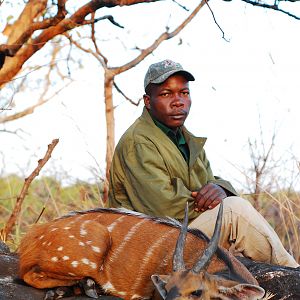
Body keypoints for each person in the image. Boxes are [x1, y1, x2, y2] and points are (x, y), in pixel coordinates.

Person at [108, 59, 298, 268]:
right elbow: (166, 208)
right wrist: (215, 202)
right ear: (147, 101)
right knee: (233, 211)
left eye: (184, 93)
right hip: (147, 250)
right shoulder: (138, 141)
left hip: (177, 239)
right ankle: (293, 273)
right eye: (166, 94)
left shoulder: (187, 140)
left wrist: (220, 189)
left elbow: (211, 182)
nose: (178, 101)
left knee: (231, 208)